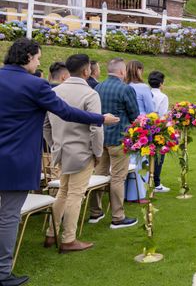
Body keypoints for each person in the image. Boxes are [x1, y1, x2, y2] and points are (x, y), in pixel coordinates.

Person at [0, 38, 118, 286]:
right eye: (38, 58)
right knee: (10, 215)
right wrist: (100, 118)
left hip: (36, 154)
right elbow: (66, 112)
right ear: (28, 57)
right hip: (16, 160)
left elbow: (48, 122)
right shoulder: (36, 84)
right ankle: (2, 271)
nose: (39, 62)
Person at [42, 54, 103, 253]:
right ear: (86, 71)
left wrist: (54, 145)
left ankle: (51, 233)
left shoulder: (54, 91)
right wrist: (97, 152)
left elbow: (46, 125)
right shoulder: (90, 94)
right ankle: (68, 239)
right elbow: (96, 127)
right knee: (75, 194)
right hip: (81, 152)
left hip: (61, 151)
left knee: (63, 192)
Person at [90, 58, 140, 230]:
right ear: (121, 72)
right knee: (118, 178)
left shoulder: (98, 87)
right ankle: (118, 217)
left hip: (100, 138)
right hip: (119, 139)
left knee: (99, 175)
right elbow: (135, 115)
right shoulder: (126, 89)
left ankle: (95, 212)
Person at [124, 60, 153, 202]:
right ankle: (138, 194)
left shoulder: (123, 85)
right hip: (140, 126)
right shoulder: (143, 87)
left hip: (125, 127)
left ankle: (125, 193)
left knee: (127, 160)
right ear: (139, 70)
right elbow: (150, 109)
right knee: (140, 161)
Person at [148, 71, 170, 193]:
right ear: (161, 83)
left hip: (146, 126)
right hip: (158, 128)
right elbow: (163, 115)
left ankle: (148, 180)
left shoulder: (147, 94)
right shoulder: (163, 96)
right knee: (159, 156)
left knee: (147, 154)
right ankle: (156, 182)